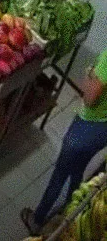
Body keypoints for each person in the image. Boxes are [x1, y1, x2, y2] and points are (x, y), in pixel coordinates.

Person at [22, 47, 107, 234]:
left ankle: (37, 219)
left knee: (60, 174)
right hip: (103, 130)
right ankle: (70, 212)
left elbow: (90, 98)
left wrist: (90, 75)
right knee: (78, 168)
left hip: (88, 126)